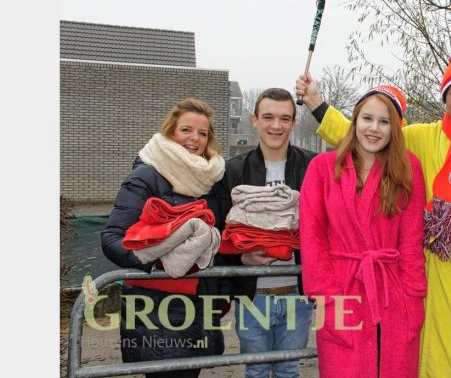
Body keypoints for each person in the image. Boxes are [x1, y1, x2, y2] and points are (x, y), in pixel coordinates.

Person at [296, 50, 451, 377]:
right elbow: (364, 134)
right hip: (432, 275)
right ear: (445, 98)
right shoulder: (421, 138)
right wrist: (316, 104)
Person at [299, 85, 427, 377]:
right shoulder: (322, 168)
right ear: (354, 120)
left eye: (384, 122)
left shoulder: (408, 168)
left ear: (395, 129)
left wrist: (413, 298)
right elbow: (312, 238)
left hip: (393, 292)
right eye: (367, 118)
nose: (374, 128)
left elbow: (411, 240)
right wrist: (327, 300)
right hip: (341, 291)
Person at [101, 98, 227, 378]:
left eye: (202, 133)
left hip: (199, 306)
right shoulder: (146, 175)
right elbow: (112, 238)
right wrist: (158, 264)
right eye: (187, 130)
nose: (194, 138)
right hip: (154, 307)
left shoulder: (209, 182)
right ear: (171, 131)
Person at [210, 88, 316, 378]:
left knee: (289, 369)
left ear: (294, 123)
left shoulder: (313, 167)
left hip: (297, 294)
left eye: (285, 118)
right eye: (268, 117)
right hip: (252, 297)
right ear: (254, 119)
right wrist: (240, 260)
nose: (276, 125)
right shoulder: (231, 171)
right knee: (255, 370)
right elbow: (217, 233)